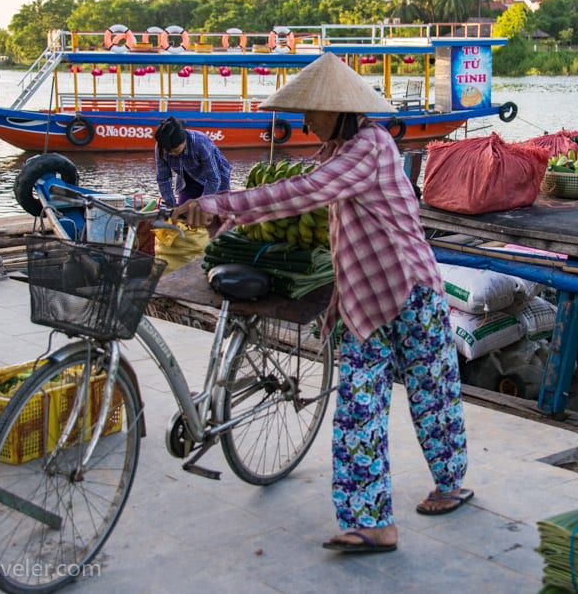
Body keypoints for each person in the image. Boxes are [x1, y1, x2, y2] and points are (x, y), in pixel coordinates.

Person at [173, 52, 472, 553]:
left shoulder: (370, 146)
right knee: (358, 407)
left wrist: (217, 203)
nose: (305, 120)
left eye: (313, 110)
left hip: (410, 288)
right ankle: (372, 522)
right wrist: (223, 217)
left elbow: (306, 193)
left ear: (340, 110)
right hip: (363, 297)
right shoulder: (337, 152)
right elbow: (306, 198)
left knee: (432, 391)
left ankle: (450, 481)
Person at [154, 115, 231, 206]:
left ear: (184, 141)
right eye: (168, 151)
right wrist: (172, 204)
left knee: (214, 211)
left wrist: (200, 204)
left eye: (175, 150)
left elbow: (213, 179)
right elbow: (163, 179)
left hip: (217, 177)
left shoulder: (201, 143)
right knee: (183, 211)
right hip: (188, 179)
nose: (171, 154)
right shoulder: (161, 148)